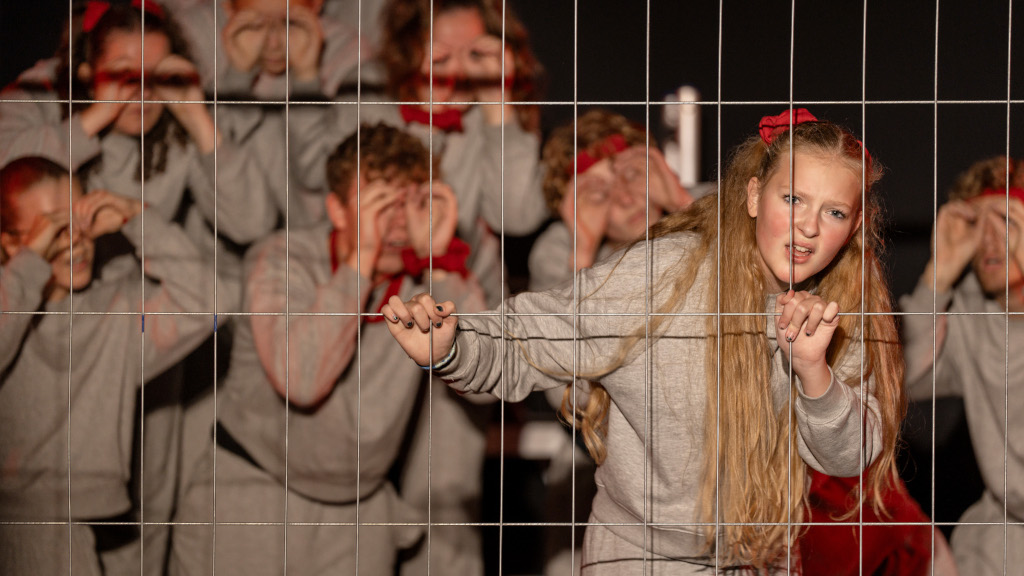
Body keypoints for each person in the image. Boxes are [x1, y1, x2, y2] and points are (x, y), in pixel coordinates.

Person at [383, 109, 907, 573]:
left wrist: (815, 374)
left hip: (763, 560)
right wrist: (451, 349)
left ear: (855, 223)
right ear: (753, 195)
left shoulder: (841, 302)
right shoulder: (664, 273)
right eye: (792, 198)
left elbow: (850, 454)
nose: (809, 228)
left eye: (834, 212)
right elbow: (530, 335)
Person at [169, 122, 488, 575]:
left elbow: (485, 387)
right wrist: (360, 261)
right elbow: (302, 380)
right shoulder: (281, 258)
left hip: (361, 508)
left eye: (411, 204)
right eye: (380, 204)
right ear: (337, 210)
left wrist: (443, 265)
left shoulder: (431, 278)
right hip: (254, 490)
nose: (398, 223)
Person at [0, 156, 229, 574]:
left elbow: (212, 304)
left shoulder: (117, 311)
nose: (75, 242)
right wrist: (28, 267)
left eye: (79, 222)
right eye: (53, 229)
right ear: (13, 243)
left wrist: (139, 219)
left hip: (82, 530)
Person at [288, 0, 548, 303]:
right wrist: (429, 115)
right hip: (362, 279)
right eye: (442, 53)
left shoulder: (490, 104)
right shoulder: (370, 86)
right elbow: (314, 173)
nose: (461, 70)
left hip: (455, 284)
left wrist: (497, 104)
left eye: (474, 52)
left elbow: (515, 218)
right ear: (411, 46)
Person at [899, 155, 1024, 576]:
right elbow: (903, 380)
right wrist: (938, 276)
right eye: (976, 224)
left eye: (1006, 221)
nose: (988, 240)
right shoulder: (973, 312)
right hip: (1002, 539)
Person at [178, 0, 364, 101]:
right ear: (228, 8)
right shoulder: (190, 39)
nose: (273, 44)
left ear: (316, 4)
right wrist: (237, 77)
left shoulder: (349, 56)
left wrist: (307, 80)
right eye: (255, 24)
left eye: (290, 23)